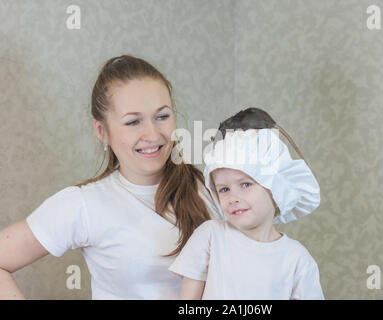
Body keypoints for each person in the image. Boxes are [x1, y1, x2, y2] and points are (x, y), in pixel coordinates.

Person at [0, 55, 222, 299]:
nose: (152, 133)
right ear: (102, 131)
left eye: (162, 116)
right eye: (133, 121)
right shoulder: (84, 205)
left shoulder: (211, 187)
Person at [169, 108, 324, 299]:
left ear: (275, 188)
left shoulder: (297, 259)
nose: (233, 197)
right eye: (224, 189)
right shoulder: (210, 236)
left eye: (245, 184)